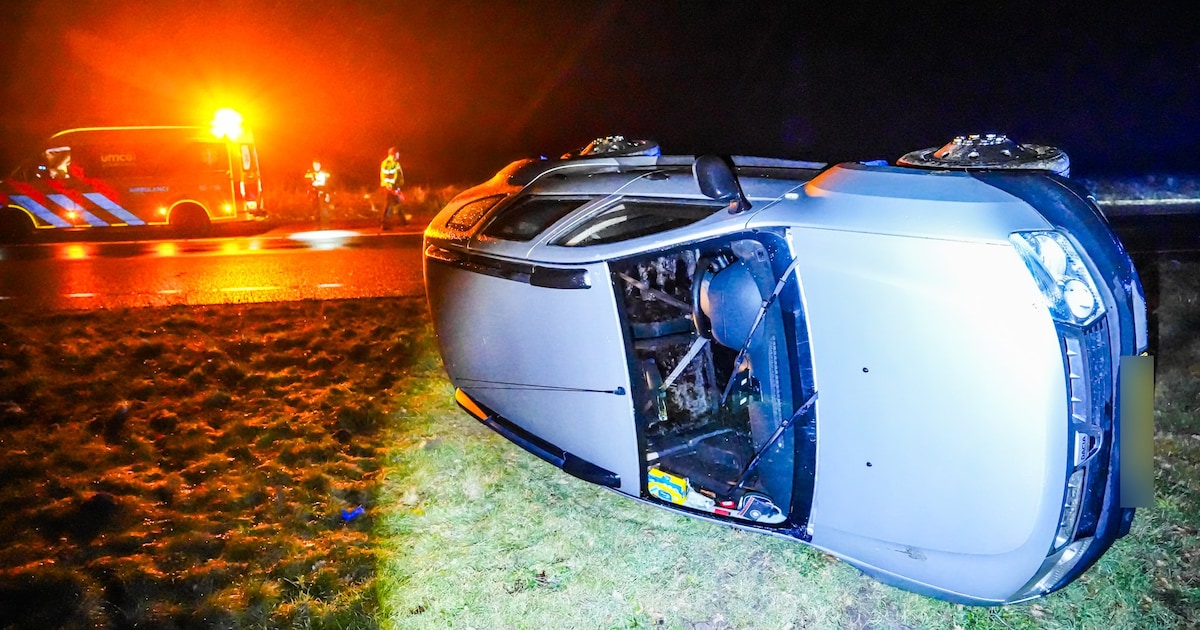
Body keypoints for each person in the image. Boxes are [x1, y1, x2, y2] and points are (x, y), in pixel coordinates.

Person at [379, 147, 407, 230]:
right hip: (389, 187)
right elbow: (387, 177)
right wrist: (391, 189)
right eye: (397, 153)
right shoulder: (388, 163)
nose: (399, 155)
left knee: (396, 204)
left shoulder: (395, 163)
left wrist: (397, 188)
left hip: (393, 187)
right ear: (393, 154)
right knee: (389, 206)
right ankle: (385, 224)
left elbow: (397, 176)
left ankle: (403, 222)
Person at [305, 160, 331, 228]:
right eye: (314, 165)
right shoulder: (310, 174)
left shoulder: (323, 173)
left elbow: (327, 184)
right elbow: (307, 182)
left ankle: (326, 225)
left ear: (320, 165)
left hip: (323, 192)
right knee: (315, 209)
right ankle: (316, 224)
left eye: (317, 165)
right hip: (314, 194)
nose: (316, 166)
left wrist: (327, 194)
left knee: (324, 209)